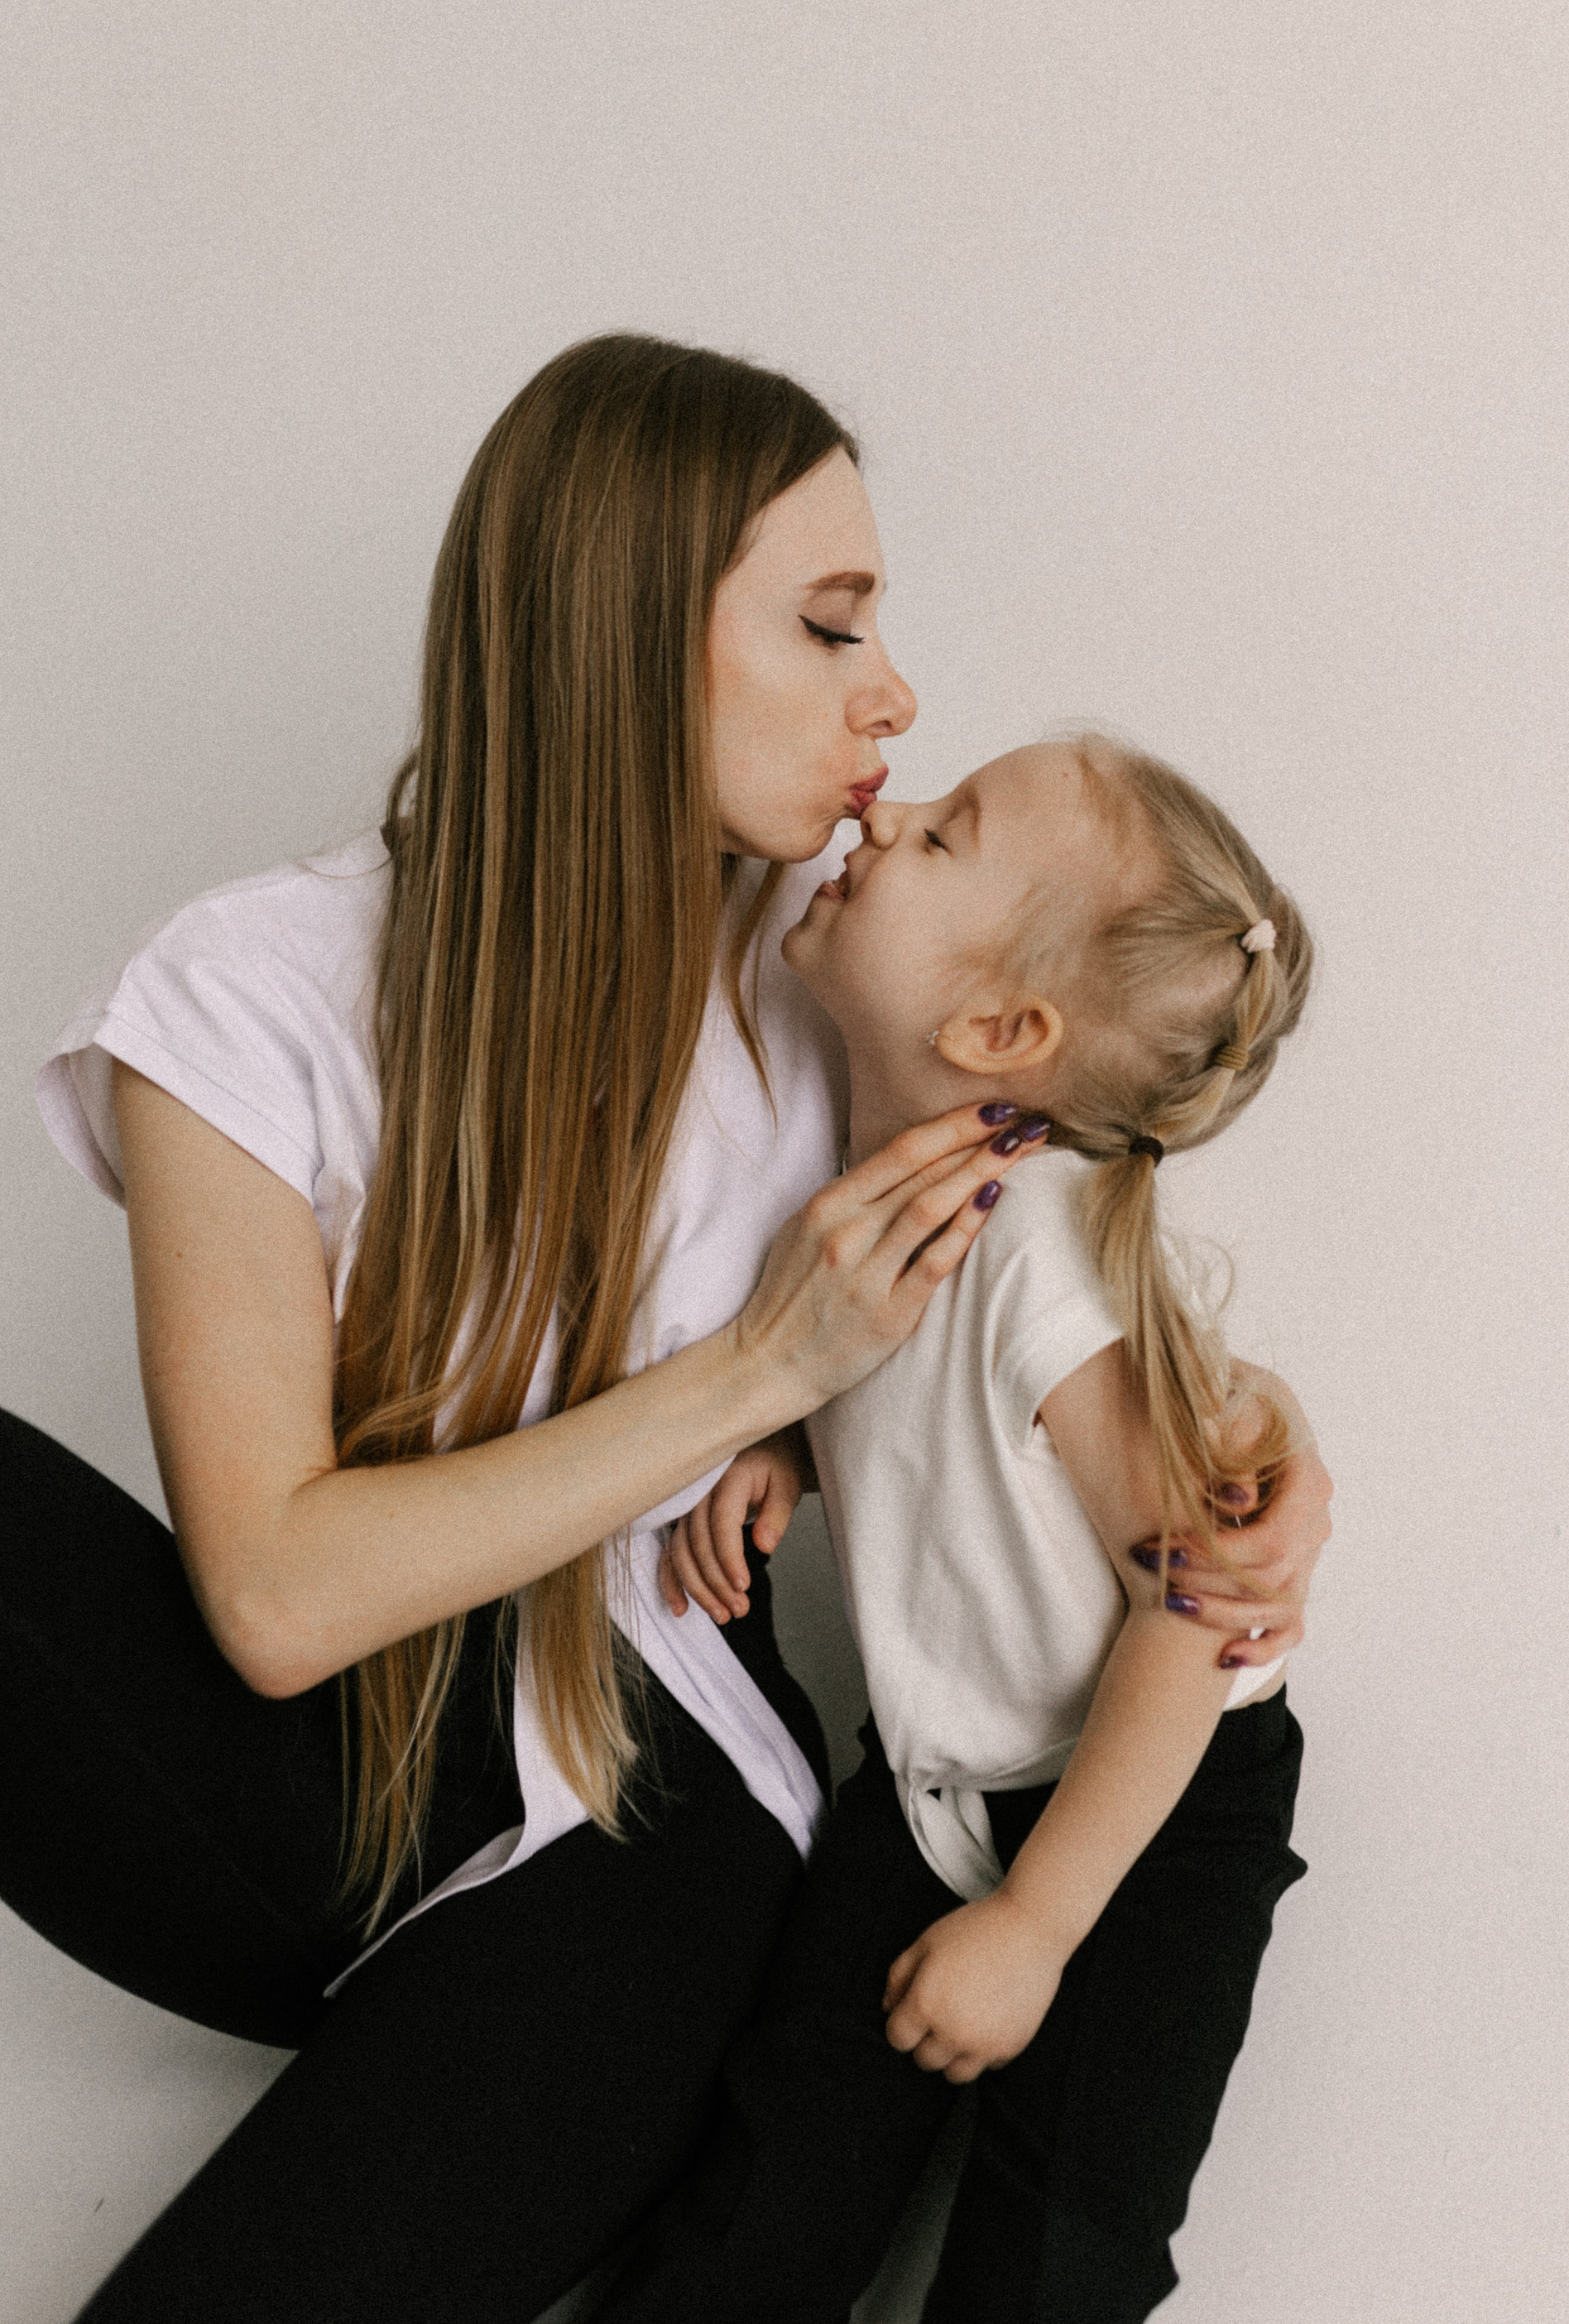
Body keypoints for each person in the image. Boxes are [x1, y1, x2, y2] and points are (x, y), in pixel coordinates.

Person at [1, 337, 1331, 2321]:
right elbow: (273, 1598)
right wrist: (759, 1375)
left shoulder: (857, 972)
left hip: (650, 1832)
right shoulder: (245, 994)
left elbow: (1080, 1214)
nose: (896, 699)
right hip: (316, 1794)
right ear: (624, 634)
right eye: (830, 625)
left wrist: (1260, 1451)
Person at [614, 734, 1318, 2322]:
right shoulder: (880, 1193)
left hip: (1154, 1799)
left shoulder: (1033, 1242)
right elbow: (931, 1415)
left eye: (945, 835)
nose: (890, 810)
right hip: (936, 1780)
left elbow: (1191, 1610)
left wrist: (1038, 1924)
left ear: (997, 1031)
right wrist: (793, 1446)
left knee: (1058, 2261)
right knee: (763, 2208)